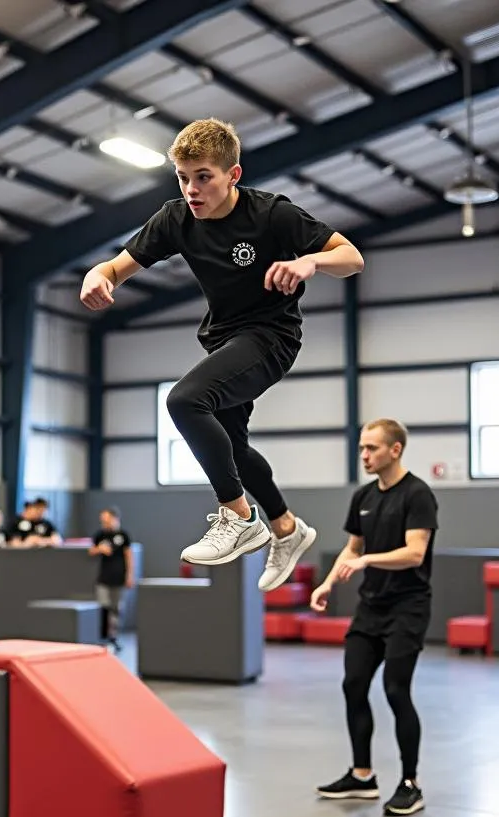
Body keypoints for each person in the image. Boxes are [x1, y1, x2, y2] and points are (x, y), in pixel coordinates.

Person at [80, 118, 364, 591]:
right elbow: (118, 265)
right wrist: (100, 274)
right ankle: (287, 529)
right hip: (223, 339)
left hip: (271, 337)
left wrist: (309, 260)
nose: (192, 189)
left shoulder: (271, 214)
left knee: (184, 400)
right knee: (232, 446)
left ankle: (238, 516)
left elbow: (352, 257)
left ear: (233, 175)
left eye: (203, 177)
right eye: (183, 178)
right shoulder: (175, 218)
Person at [309, 419, 438, 817]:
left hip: (407, 606)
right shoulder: (363, 496)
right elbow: (352, 548)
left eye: (372, 449)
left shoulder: (418, 495)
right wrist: (327, 583)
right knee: (353, 684)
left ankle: (410, 784)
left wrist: (367, 560)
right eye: (362, 448)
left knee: (396, 690)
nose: (364, 455)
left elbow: (415, 553)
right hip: (371, 607)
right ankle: (362, 775)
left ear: (395, 450)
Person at [88, 506, 135, 652]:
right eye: (103, 521)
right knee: (104, 606)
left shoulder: (123, 535)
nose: (105, 523)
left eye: (107, 520)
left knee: (116, 608)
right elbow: (91, 550)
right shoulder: (100, 535)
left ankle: (113, 637)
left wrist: (129, 575)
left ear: (115, 519)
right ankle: (102, 638)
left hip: (119, 577)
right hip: (103, 577)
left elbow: (129, 556)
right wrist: (99, 549)